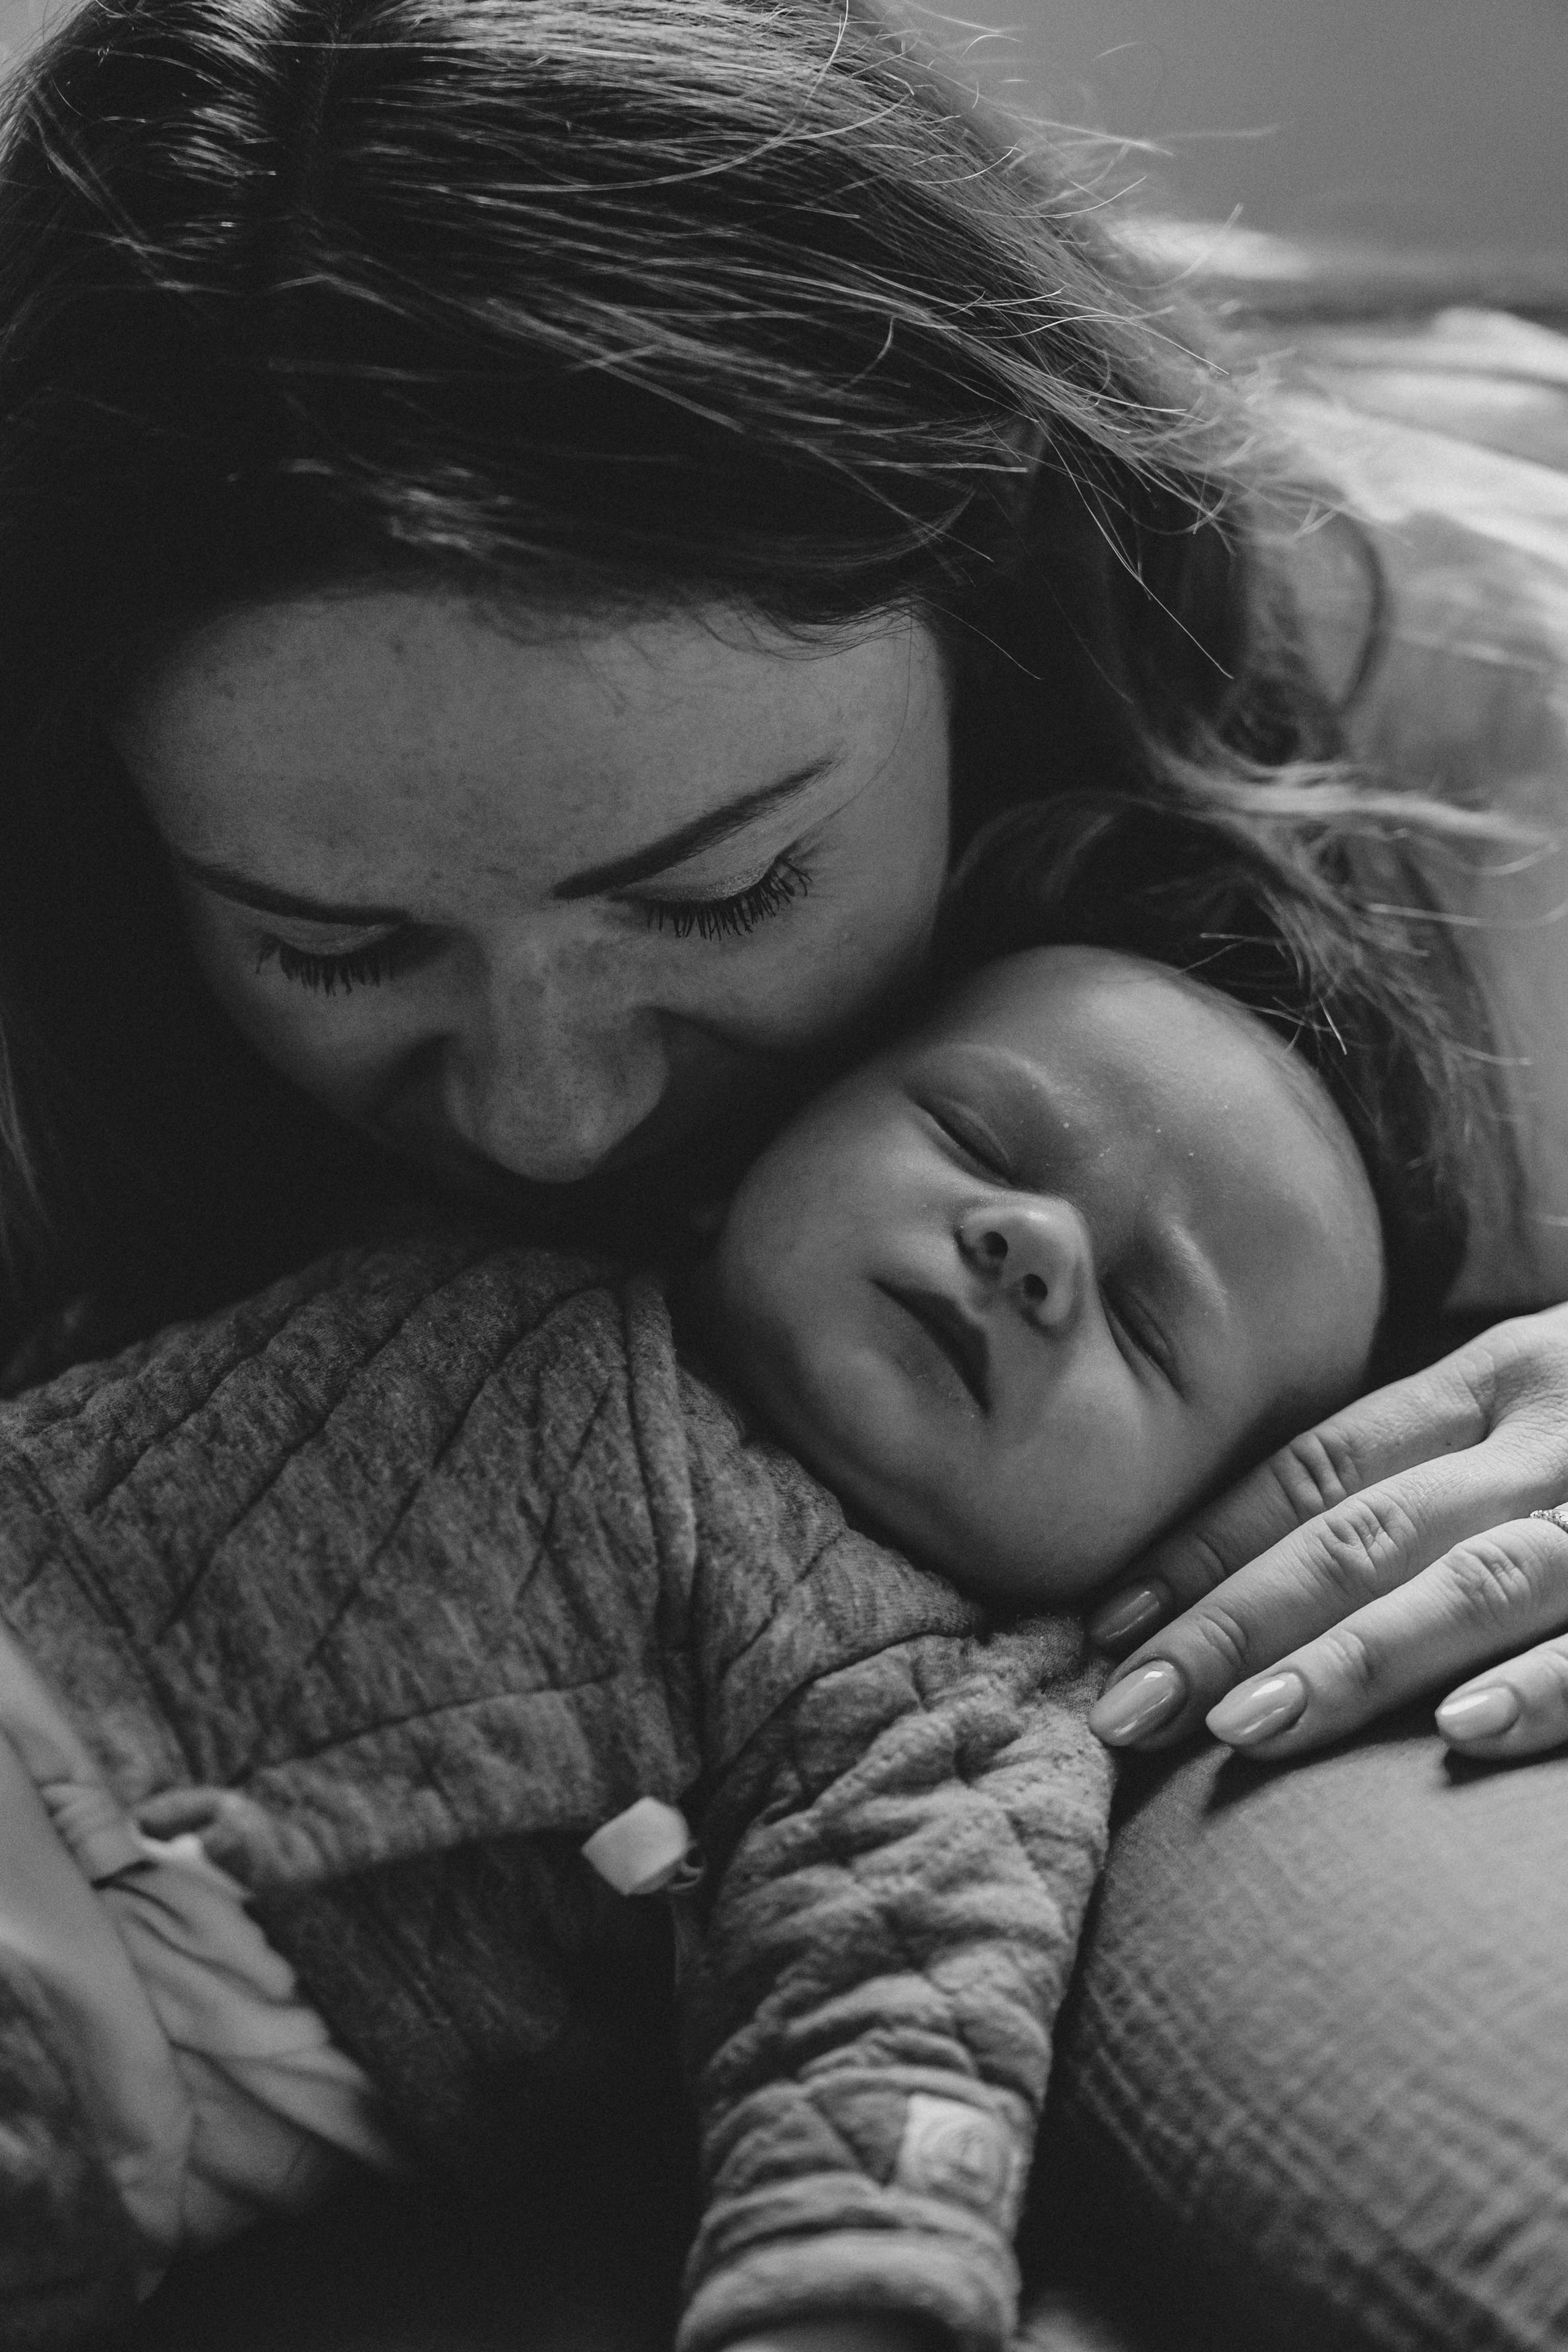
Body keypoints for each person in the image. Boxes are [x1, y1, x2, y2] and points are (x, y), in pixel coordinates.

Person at [0, 0, 1565, 2343]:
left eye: (721, 895)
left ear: (1001, 638)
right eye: (338, 948)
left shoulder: (1486, 751)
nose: (553, 1118)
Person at [0, 869, 1439, 2350]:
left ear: (1184, 1528)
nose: (1031, 1245)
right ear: (752, 1147)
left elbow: (892, 2020)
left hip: (109, 2006)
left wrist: (850, 2297)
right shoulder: (479, 1219)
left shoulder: (940, 1718)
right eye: (970, 1136)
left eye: (1144, 1317)